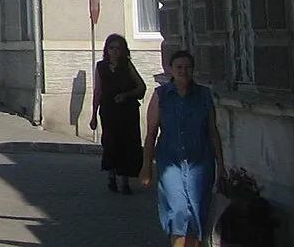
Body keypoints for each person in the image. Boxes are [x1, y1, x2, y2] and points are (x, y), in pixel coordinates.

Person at [140, 49, 222, 246]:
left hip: (200, 162)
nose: (183, 71)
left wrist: (222, 165)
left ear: (193, 70)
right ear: (170, 70)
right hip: (171, 161)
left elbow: (213, 131)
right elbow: (151, 133)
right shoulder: (161, 95)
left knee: (198, 213)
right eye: (178, 67)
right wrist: (146, 167)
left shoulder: (203, 95)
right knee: (178, 211)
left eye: (187, 67)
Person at [91, 32, 147, 195]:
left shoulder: (127, 66)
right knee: (110, 142)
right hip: (109, 110)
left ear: (123, 50)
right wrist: (94, 114)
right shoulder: (101, 67)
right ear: (106, 50)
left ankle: (125, 181)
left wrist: (126, 95)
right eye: (111, 48)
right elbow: (98, 91)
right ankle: (111, 176)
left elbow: (141, 87)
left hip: (127, 111)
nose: (115, 51)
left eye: (118, 48)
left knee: (127, 144)